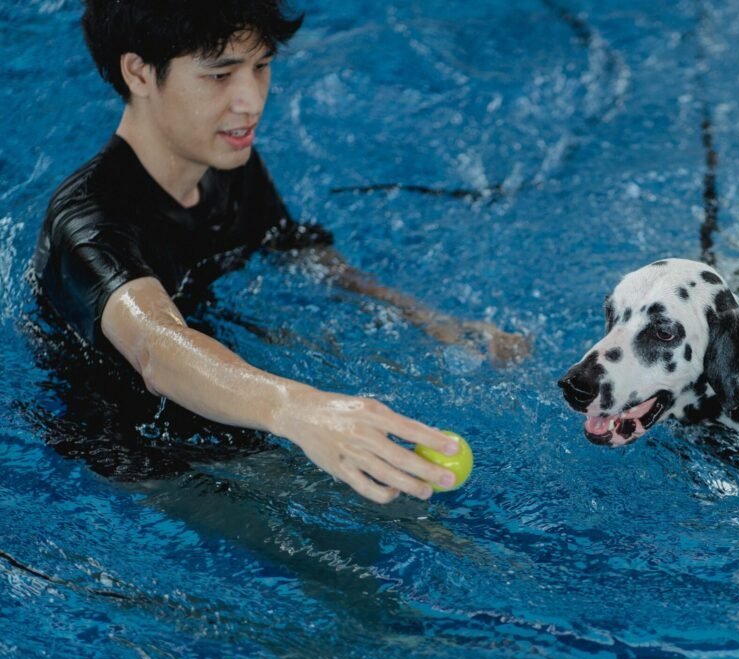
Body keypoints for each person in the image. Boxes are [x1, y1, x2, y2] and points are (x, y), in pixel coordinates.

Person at [28, 0, 526, 502]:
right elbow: (156, 348)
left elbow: (294, 249)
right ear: (138, 72)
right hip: (142, 449)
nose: (251, 100)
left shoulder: (225, 159)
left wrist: (426, 320)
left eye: (261, 66)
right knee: (374, 546)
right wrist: (300, 409)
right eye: (220, 75)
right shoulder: (88, 225)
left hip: (231, 378)